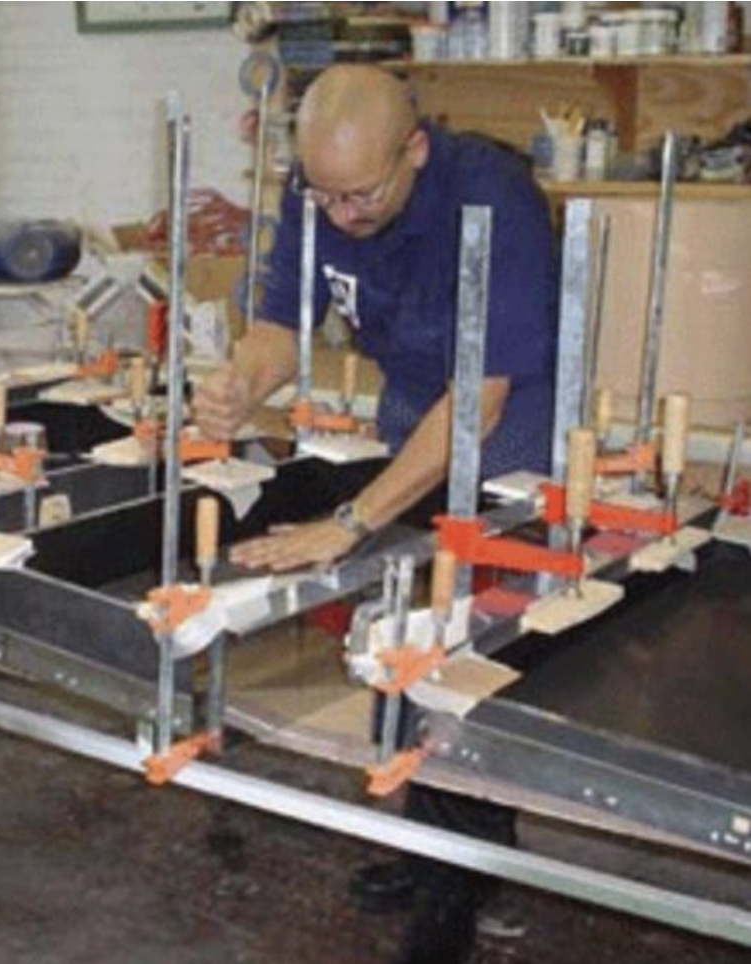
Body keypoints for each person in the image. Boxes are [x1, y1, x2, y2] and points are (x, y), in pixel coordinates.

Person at [193, 65, 558, 963]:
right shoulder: (321, 187)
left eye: (359, 196)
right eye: (325, 195)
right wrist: (242, 381)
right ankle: (434, 844)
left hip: (512, 426)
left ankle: (460, 883)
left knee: (466, 650)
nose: (341, 215)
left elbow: (480, 402)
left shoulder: (493, 201)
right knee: (405, 631)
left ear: (415, 151)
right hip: (413, 409)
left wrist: (353, 520)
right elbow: (283, 325)